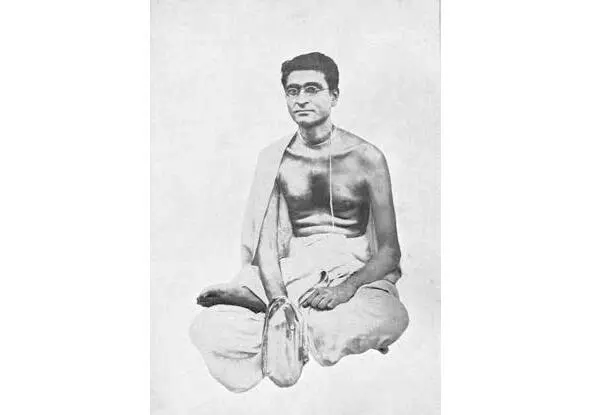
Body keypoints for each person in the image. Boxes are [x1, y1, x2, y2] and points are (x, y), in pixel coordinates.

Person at [190, 52, 409, 392]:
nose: (301, 99)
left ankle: (278, 325)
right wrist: (278, 299)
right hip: (294, 268)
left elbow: (390, 251)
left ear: (334, 96)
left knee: (392, 317)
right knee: (205, 329)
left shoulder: (367, 157)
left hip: (351, 269)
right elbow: (266, 245)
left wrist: (344, 290)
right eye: (293, 91)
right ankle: (279, 312)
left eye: (312, 89)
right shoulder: (275, 159)